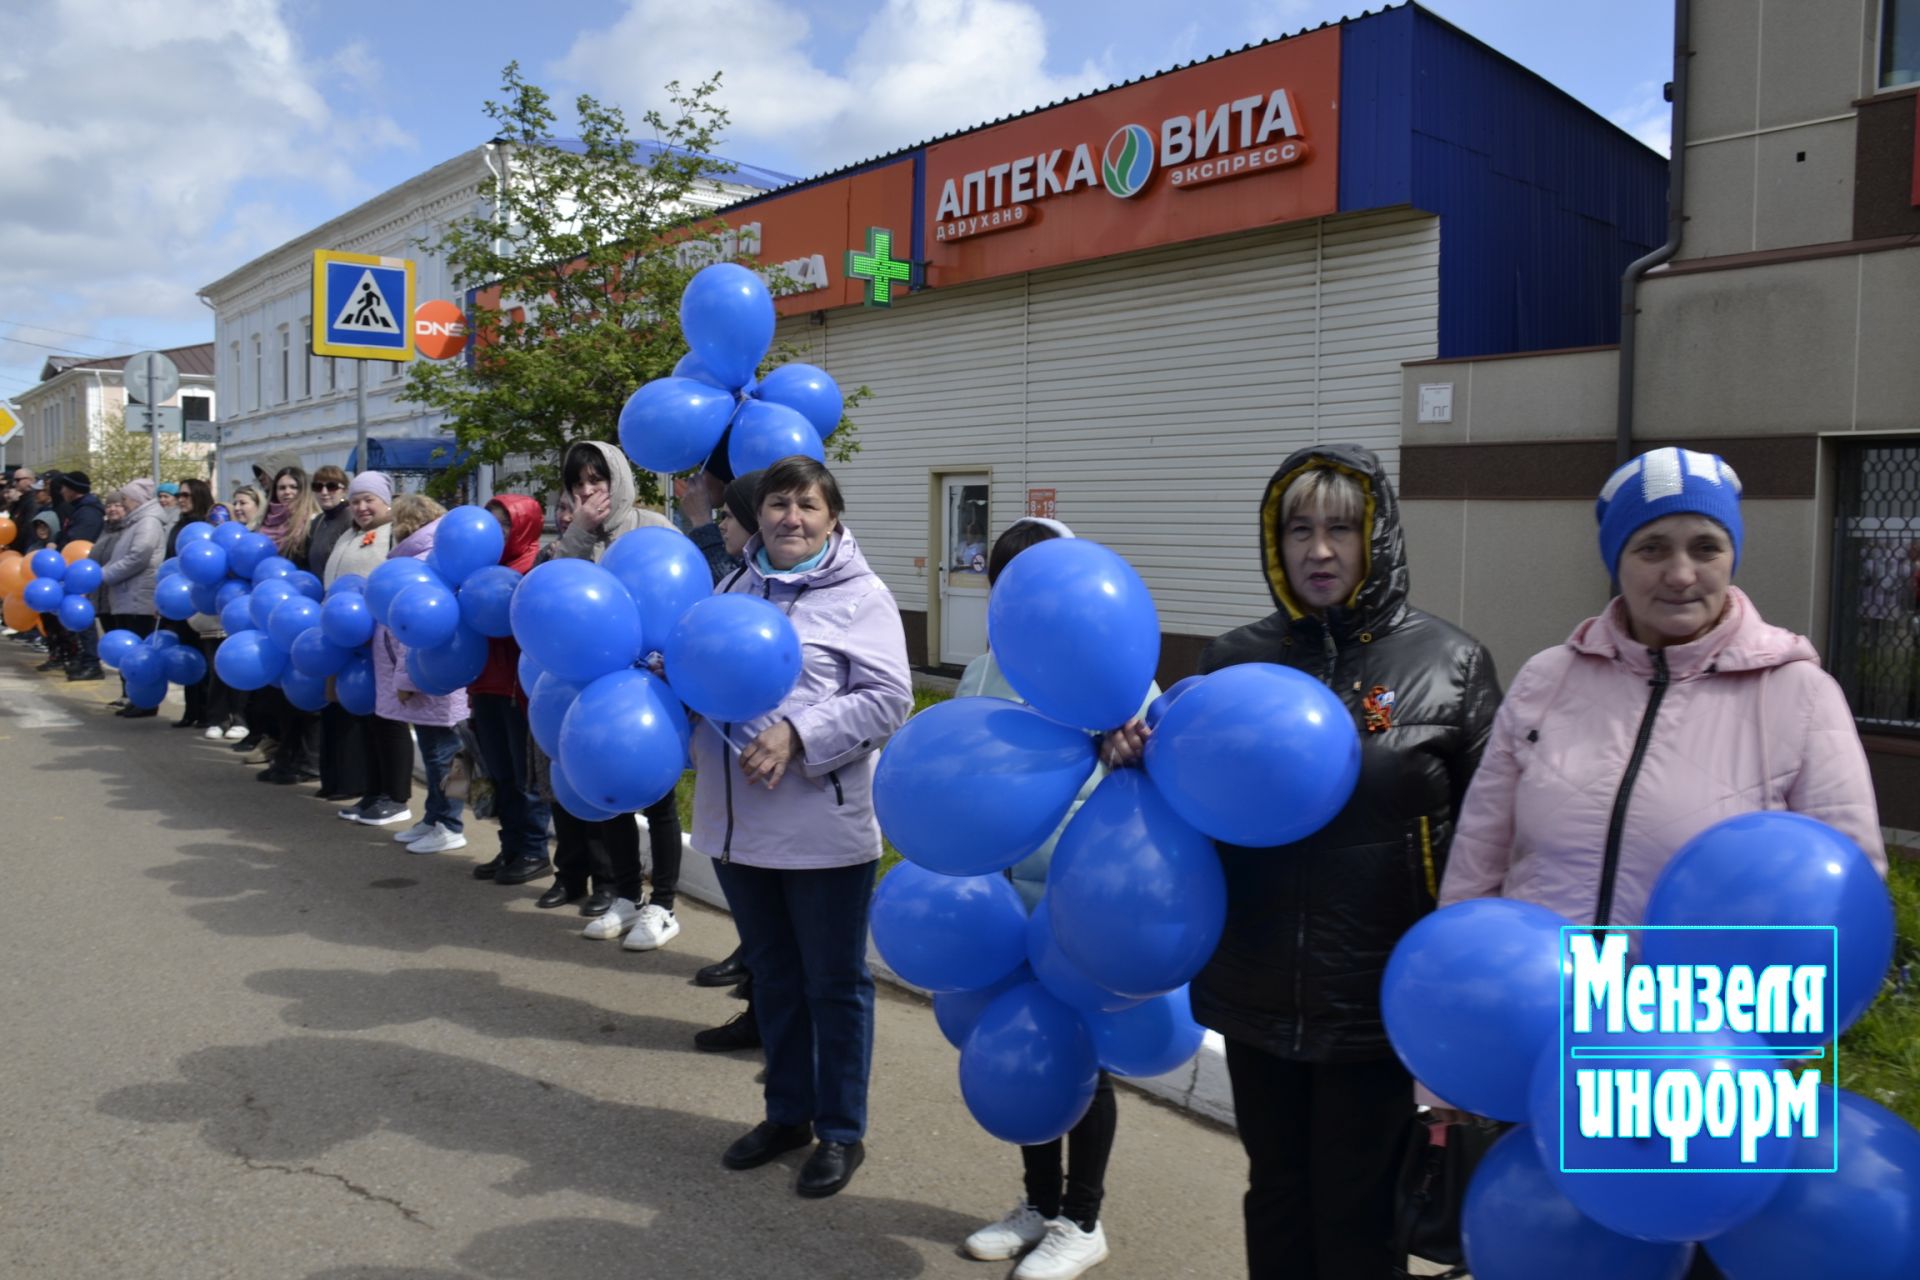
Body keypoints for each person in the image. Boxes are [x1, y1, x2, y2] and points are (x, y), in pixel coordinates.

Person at [1104, 445, 1499, 1280]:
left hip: (1379, 1000)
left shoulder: (1450, 665)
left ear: (1378, 537)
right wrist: (1138, 752)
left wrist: (1466, 1011)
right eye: (1299, 530)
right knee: (1276, 1197)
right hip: (1255, 987)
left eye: (1342, 529)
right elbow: (1189, 813)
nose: (1319, 551)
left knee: (1360, 1217)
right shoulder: (1231, 661)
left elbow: (1488, 847)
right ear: (1274, 544)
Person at [1440, 445, 1886, 924]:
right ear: (1617, 560)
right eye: (1651, 548)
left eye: (1706, 547)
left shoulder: (1801, 695)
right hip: (1540, 991)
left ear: (1732, 556)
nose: (1680, 574)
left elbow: (1847, 895)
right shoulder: (1546, 679)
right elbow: (1478, 858)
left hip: (1701, 997)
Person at [690, 455, 913, 1200]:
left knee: (834, 986)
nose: (790, 517)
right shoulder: (735, 584)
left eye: (807, 506)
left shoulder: (861, 595)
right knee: (776, 981)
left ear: (832, 518)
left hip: (823, 830)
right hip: (735, 828)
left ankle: (841, 1131)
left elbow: (888, 697)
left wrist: (798, 733)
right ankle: (786, 1113)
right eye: (778, 504)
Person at [954, 515, 1156, 1280]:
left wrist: (1131, 750)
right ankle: (1038, 1203)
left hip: (1085, 900)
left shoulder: (1120, 671)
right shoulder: (983, 669)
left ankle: (1084, 1218)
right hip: (1006, 898)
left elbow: (1160, 785)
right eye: (1008, 575)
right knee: (1027, 1047)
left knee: (1084, 1059)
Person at [527, 442, 685, 949]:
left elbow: (685, 595)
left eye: (597, 480)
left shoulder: (653, 527)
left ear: (617, 480)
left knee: (657, 799)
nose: (588, 492)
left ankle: (662, 904)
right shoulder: (577, 538)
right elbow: (547, 590)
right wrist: (577, 532)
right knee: (610, 793)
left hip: (652, 685)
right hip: (594, 685)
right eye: (578, 485)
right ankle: (622, 893)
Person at [690, 469, 767, 1007]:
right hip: (730, 765)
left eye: (728, 517)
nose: (721, 523)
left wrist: (699, 524)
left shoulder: (750, 580)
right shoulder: (735, 577)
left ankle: (763, 990)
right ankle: (755, 978)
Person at [368, 494, 467, 846]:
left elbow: (416, 631)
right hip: (428, 679)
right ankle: (434, 817)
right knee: (436, 752)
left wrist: (406, 679)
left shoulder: (422, 563)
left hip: (430, 680)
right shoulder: (425, 559)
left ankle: (451, 825)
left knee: (446, 757)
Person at [466, 493, 553, 885]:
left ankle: (534, 851)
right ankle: (510, 846)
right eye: (490, 522)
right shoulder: (476, 565)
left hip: (520, 689)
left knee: (525, 777)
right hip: (485, 681)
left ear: (524, 525)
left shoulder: (535, 564)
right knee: (499, 773)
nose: (495, 531)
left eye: (504, 523)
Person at [325, 472, 399, 820]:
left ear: (386, 500)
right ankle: (373, 790)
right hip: (352, 643)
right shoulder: (349, 535)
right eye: (355, 501)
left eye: (368, 499)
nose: (361, 507)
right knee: (366, 718)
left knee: (388, 719)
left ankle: (395, 794)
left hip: (381, 640)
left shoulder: (394, 535)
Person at [254, 463, 325, 784]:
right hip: (268, 615)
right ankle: (284, 753)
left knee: (300, 691)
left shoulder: (309, 525)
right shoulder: (263, 524)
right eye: (281, 488)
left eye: (292, 488)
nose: (286, 493)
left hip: (300, 615)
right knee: (274, 697)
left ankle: (305, 760)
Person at [305, 465, 365, 802]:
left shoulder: (348, 523)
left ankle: (350, 780)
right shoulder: (320, 524)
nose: (325, 491)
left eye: (332, 485)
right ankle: (333, 778)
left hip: (351, 622)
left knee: (348, 703)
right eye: (318, 485)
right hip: (327, 620)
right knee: (331, 703)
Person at [97, 478, 169, 719]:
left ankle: (145, 701)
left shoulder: (147, 522)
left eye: (125, 498)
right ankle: (134, 697)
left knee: (138, 652)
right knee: (129, 652)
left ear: (137, 500)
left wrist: (106, 574)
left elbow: (138, 556)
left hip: (138, 596)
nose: (123, 503)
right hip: (129, 595)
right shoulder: (136, 522)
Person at [164, 479, 216, 728]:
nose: (180, 499)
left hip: (199, 600)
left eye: (186, 495)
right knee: (186, 653)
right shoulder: (177, 526)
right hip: (177, 599)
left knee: (203, 657)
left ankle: (206, 711)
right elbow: (168, 564)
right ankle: (191, 709)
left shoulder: (205, 526)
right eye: (179, 495)